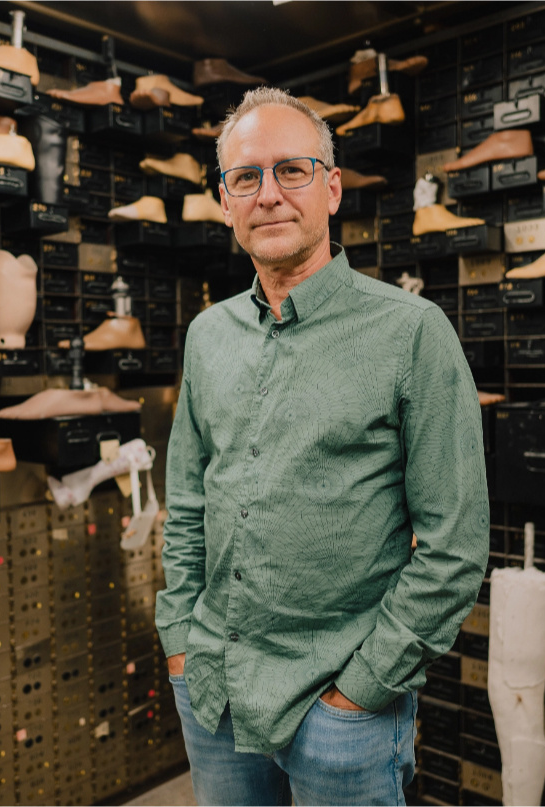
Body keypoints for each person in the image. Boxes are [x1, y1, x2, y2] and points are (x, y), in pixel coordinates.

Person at [154, 86, 490, 806]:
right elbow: (185, 502)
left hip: (340, 709)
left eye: (292, 170)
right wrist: (180, 638)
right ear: (224, 200)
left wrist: (363, 689)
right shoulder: (208, 336)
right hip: (215, 687)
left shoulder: (411, 333)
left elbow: (454, 544)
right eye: (246, 176)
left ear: (331, 189)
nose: (268, 194)